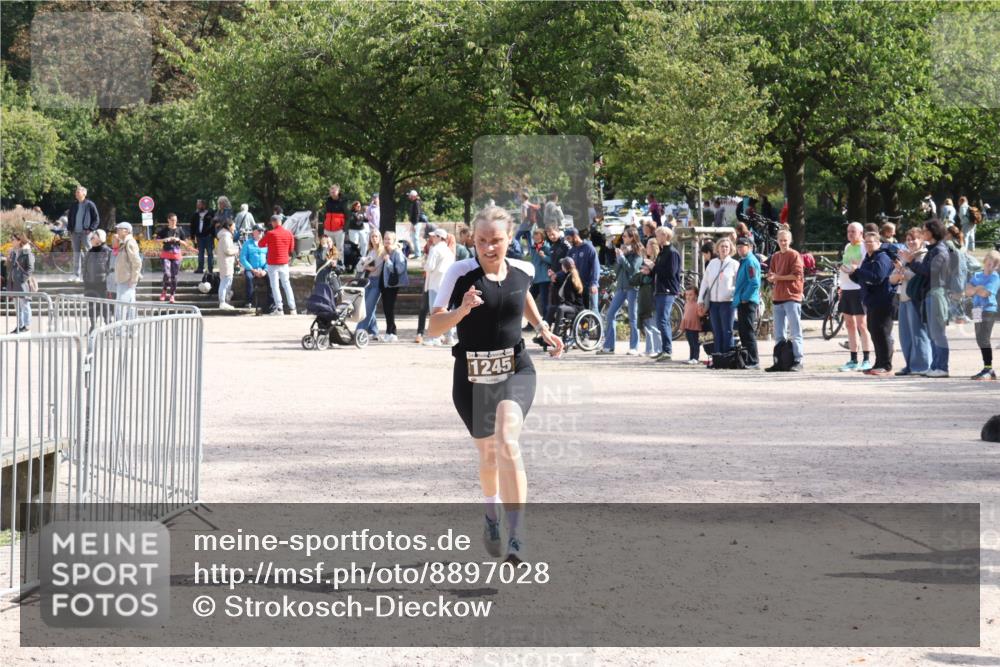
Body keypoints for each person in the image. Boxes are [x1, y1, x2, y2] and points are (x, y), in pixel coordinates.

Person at [427, 205, 563, 564]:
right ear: (474, 239)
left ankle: (517, 536)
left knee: (506, 440)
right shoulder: (460, 272)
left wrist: (543, 328)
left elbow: (524, 296)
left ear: (509, 239)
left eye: (497, 241)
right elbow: (432, 327)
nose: (489, 248)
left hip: (516, 367)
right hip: (471, 377)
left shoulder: (524, 269)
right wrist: (462, 311)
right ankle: (492, 514)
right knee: (488, 454)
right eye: (482, 241)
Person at [899, 219, 950, 377]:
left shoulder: (940, 250)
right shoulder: (933, 249)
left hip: (936, 293)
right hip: (929, 293)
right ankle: (935, 366)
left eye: (924, 230)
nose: (922, 233)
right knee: (932, 333)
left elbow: (929, 272)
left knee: (938, 332)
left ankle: (942, 367)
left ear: (932, 232)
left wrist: (910, 261)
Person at [848, 231, 897, 375]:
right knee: (874, 332)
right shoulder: (868, 259)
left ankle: (886, 365)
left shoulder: (882, 257)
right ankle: (878, 363)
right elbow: (862, 279)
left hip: (884, 300)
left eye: (871, 242)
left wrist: (858, 271)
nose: (868, 244)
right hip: (871, 302)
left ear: (878, 243)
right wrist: (853, 273)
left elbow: (877, 277)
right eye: (866, 242)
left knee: (882, 332)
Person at [890, 228, 931, 377]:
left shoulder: (923, 256)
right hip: (903, 298)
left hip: (916, 298)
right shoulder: (905, 256)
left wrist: (902, 272)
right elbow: (892, 277)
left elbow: (918, 277)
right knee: (905, 335)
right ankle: (910, 364)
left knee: (918, 334)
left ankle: (921, 366)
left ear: (921, 240)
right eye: (908, 239)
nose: (911, 242)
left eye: (914, 239)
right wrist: (898, 274)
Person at [597, 226, 644, 355]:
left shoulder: (638, 252)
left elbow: (633, 270)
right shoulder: (625, 251)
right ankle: (609, 346)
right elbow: (617, 270)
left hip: (632, 288)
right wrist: (619, 258)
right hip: (621, 287)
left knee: (633, 317)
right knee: (610, 314)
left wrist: (622, 257)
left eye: (624, 236)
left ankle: (634, 347)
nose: (622, 238)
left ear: (632, 238)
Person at [765, 229, 805, 372]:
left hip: (792, 297)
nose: (782, 243)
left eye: (785, 240)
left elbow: (797, 275)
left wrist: (778, 277)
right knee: (779, 333)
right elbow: (771, 273)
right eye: (780, 240)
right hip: (778, 297)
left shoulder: (794, 255)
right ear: (777, 240)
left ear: (790, 241)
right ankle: (780, 360)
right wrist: (771, 277)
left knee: (795, 331)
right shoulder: (775, 256)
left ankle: (798, 360)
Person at [838, 222, 874, 371]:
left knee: (862, 325)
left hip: (858, 288)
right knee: (849, 324)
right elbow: (847, 266)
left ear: (861, 233)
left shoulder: (864, 247)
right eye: (848, 231)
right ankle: (853, 359)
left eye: (853, 231)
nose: (850, 234)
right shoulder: (847, 247)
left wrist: (854, 268)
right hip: (846, 288)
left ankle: (866, 359)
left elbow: (862, 266)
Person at [698, 237, 738, 357]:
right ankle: (717, 355)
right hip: (713, 303)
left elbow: (737, 283)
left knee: (727, 330)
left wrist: (731, 292)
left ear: (730, 248)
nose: (724, 248)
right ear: (717, 248)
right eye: (722, 246)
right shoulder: (712, 263)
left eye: (727, 246)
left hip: (727, 302)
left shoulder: (735, 264)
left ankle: (728, 355)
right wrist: (700, 299)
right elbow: (705, 282)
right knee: (716, 330)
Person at [648, 226, 681, 361]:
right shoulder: (662, 252)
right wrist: (650, 270)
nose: (656, 238)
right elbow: (658, 271)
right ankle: (664, 349)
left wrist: (653, 267)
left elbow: (670, 273)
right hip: (660, 289)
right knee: (661, 320)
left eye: (658, 235)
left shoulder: (672, 252)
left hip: (667, 290)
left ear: (665, 236)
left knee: (663, 320)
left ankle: (667, 350)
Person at [967, 250, 1000, 380]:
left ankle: (988, 368)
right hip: (976, 309)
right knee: (979, 339)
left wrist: (975, 289)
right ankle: (986, 368)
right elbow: (967, 291)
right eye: (990, 262)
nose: (991, 266)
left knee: (984, 338)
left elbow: (985, 293)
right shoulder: (977, 275)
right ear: (985, 261)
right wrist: (977, 289)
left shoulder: (995, 277)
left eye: (995, 264)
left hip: (988, 309)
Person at [258, 214, 297, 316]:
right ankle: (293, 308)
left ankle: (279, 309)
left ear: (273, 222)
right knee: (287, 285)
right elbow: (291, 248)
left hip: (272, 263)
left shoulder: (271, 233)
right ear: (281, 222)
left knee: (275, 286)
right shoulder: (289, 234)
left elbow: (260, 244)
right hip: (284, 262)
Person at [424, 228, 457, 346]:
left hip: (435, 283)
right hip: (447, 284)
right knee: (446, 310)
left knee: (435, 311)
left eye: (434, 236)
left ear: (439, 237)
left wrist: (424, 265)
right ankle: (449, 336)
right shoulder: (449, 251)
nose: (432, 238)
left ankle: (436, 337)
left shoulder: (434, 249)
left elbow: (430, 266)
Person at [733, 236, 762, 368]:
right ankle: (747, 359)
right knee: (743, 331)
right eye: (738, 247)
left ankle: (754, 360)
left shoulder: (750, 261)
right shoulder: (744, 260)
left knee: (748, 331)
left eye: (742, 247)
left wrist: (745, 297)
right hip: (742, 301)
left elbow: (754, 283)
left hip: (748, 301)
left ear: (749, 247)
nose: (739, 249)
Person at [378, 231, 408, 342]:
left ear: (394, 240)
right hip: (385, 285)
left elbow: (400, 269)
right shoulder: (385, 252)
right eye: (385, 239)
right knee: (386, 309)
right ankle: (389, 332)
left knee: (389, 309)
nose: (386, 241)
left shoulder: (397, 253)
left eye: (389, 239)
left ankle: (392, 333)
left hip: (392, 285)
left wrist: (388, 261)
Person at [66, 185, 100, 282]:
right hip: (75, 233)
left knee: (88, 253)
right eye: (76, 192)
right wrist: (70, 229)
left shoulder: (90, 204)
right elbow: (70, 217)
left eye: (78, 192)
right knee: (76, 254)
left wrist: (90, 229)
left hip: (86, 233)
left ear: (84, 193)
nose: (76, 193)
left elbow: (96, 219)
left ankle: (88, 275)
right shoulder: (73, 205)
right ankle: (76, 275)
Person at [156, 213, 191, 303]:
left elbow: (186, 243)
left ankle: (172, 295)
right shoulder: (164, 230)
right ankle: (164, 290)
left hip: (176, 254)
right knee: (167, 274)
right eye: (172, 220)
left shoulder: (180, 230)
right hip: (166, 254)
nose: (174, 222)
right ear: (168, 220)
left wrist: (178, 240)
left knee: (174, 276)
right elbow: (156, 240)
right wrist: (165, 239)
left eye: (175, 220)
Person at [82, 229, 112, 329]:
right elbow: (84, 267)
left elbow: (110, 268)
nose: (90, 239)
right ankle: (93, 326)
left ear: (100, 238)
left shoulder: (107, 251)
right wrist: (85, 280)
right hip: (90, 284)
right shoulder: (89, 252)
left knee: (104, 307)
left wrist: (107, 281)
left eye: (93, 237)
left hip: (103, 284)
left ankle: (108, 326)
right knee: (91, 307)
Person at [565, 227, 600, 312]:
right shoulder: (571, 251)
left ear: (575, 236)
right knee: (582, 312)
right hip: (578, 286)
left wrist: (594, 283)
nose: (568, 241)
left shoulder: (589, 248)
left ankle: (599, 325)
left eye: (569, 238)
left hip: (589, 286)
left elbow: (596, 267)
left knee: (593, 310)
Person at [357, 229, 384, 339]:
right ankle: (374, 331)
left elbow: (373, 268)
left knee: (368, 307)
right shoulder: (370, 251)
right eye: (372, 236)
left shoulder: (382, 252)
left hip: (377, 282)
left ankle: (359, 331)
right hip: (368, 281)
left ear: (380, 238)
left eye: (376, 236)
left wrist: (364, 266)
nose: (374, 238)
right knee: (367, 307)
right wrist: (364, 266)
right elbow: (359, 266)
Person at [113, 222, 142, 322]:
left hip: (127, 279)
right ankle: (130, 330)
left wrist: (133, 279)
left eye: (119, 229)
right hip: (125, 278)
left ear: (126, 230)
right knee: (129, 306)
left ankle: (121, 331)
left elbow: (137, 262)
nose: (117, 231)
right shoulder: (125, 242)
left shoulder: (129, 242)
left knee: (122, 307)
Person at [637, 237, 660, 357]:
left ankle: (657, 348)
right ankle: (649, 348)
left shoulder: (656, 261)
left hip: (653, 293)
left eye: (648, 246)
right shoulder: (648, 259)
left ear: (653, 247)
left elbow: (653, 276)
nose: (646, 248)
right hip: (644, 293)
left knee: (653, 322)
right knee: (647, 322)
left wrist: (648, 271)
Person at [6, 233, 34, 333]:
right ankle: (20, 325)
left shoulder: (26, 252)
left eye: (13, 239)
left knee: (25, 305)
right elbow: (9, 267)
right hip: (13, 283)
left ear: (19, 241)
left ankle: (26, 325)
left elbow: (30, 268)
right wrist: (8, 258)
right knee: (17, 306)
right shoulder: (13, 252)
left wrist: (22, 279)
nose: (11, 241)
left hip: (22, 283)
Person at [240, 224, 269, 308]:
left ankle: (272, 302)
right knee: (249, 278)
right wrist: (252, 269)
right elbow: (243, 258)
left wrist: (265, 270)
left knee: (271, 278)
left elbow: (269, 257)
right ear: (254, 232)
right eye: (259, 230)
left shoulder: (266, 243)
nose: (261, 232)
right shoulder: (247, 243)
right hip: (251, 268)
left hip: (263, 268)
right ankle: (249, 301)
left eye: (262, 231)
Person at [527, 229, 552, 324]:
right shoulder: (533, 248)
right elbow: (533, 262)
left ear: (542, 237)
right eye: (534, 237)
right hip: (535, 279)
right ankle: (531, 323)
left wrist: (544, 256)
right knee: (529, 301)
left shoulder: (547, 247)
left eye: (538, 237)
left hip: (545, 279)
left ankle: (546, 323)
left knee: (544, 303)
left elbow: (552, 261)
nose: (536, 238)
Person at [215, 219, 239, 310]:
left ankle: (224, 301)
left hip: (226, 262)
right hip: (226, 263)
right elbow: (227, 250)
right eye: (233, 226)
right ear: (229, 226)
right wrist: (236, 250)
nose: (235, 228)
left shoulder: (225, 235)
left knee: (226, 281)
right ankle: (222, 302)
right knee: (225, 282)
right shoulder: (225, 236)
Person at [190, 199, 215, 273]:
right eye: (197, 204)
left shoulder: (210, 214)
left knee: (210, 253)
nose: (197, 206)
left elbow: (213, 226)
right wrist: (192, 237)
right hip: (199, 237)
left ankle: (210, 269)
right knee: (200, 253)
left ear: (204, 205)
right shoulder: (195, 214)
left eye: (199, 204)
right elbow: (192, 226)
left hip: (209, 237)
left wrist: (213, 235)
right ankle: (200, 269)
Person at [323, 184, 347, 256]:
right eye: (331, 190)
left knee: (339, 249)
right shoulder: (327, 202)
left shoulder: (344, 202)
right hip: (327, 230)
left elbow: (348, 216)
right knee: (328, 248)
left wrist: (344, 229)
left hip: (339, 231)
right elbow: (324, 214)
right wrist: (325, 225)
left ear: (338, 191)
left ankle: (340, 265)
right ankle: (329, 265)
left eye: (334, 190)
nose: (332, 191)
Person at [680, 287, 702, 365]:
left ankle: (695, 358)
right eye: (687, 295)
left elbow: (700, 314)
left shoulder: (697, 304)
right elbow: (685, 316)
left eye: (691, 295)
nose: (688, 297)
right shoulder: (686, 304)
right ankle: (691, 357)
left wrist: (701, 309)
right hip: (687, 326)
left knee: (695, 343)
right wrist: (682, 326)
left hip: (695, 327)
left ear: (696, 295)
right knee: (690, 343)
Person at [407, 190, 425, 259]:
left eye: (410, 196)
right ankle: (416, 253)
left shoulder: (417, 202)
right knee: (414, 238)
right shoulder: (415, 202)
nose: (409, 197)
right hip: (414, 223)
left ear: (414, 196)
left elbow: (417, 214)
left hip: (416, 223)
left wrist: (414, 224)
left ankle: (418, 254)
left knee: (416, 238)